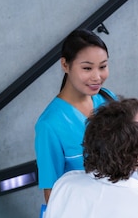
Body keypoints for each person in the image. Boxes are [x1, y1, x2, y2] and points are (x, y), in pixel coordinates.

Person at [35, 29, 117, 203]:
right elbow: (52, 193)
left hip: (121, 206)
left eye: (102, 66)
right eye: (87, 68)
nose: (97, 77)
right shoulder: (49, 125)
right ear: (65, 65)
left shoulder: (108, 99)